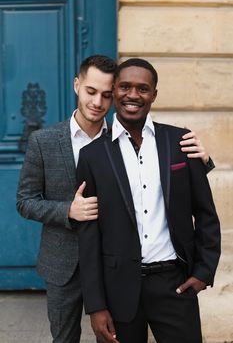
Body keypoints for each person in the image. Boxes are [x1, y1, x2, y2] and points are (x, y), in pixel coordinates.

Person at [16, 54, 212, 343]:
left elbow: (162, 181)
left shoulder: (124, 136)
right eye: (91, 92)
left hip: (118, 265)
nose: (97, 102)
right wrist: (68, 210)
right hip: (64, 264)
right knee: (64, 338)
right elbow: (25, 200)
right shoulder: (44, 141)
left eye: (107, 95)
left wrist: (204, 162)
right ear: (76, 86)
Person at [76, 58, 221, 343]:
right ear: (114, 90)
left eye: (143, 88)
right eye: (125, 86)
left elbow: (206, 213)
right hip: (117, 290)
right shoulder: (92, 155)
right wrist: (95, 305)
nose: (133, 95)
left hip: (174, 284)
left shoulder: (180, 142)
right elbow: (88, 236)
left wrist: (204, 271)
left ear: (154, 94)